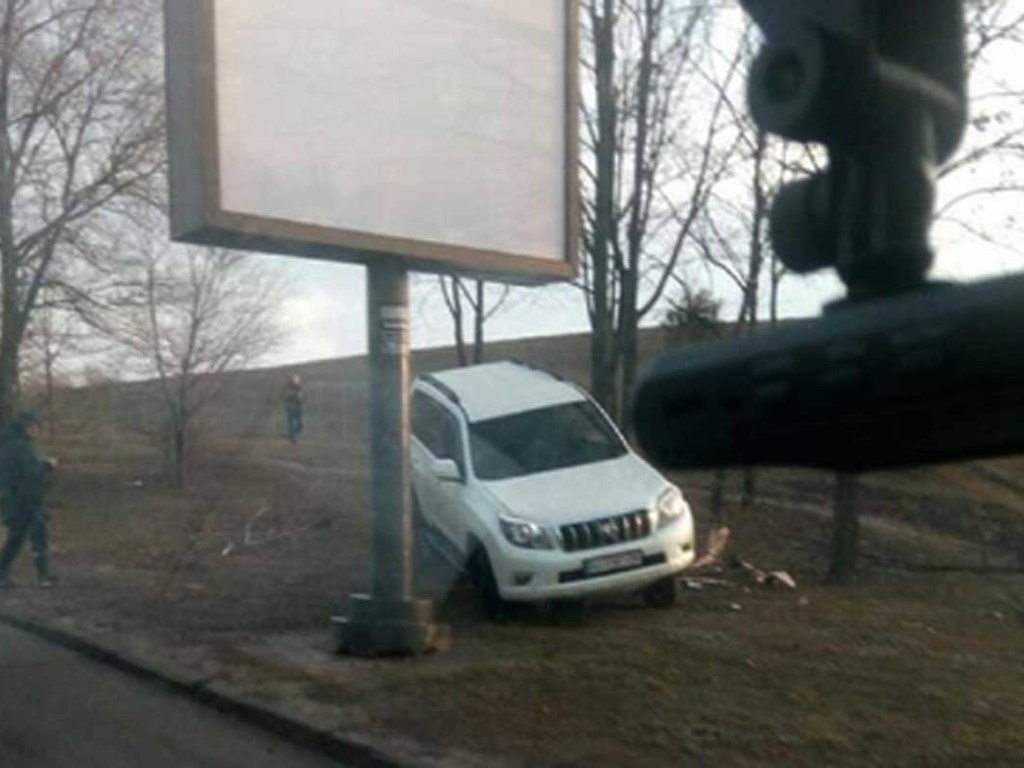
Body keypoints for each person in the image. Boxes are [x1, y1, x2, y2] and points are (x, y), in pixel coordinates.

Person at [0, 410, 57, 589]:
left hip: (18, 499)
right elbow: (29, 473)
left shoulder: (12, 445)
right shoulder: (19, 447)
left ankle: (4, 574)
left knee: (19, 538)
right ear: (26, 427)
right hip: (24, 499)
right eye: (34, 427)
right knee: (34, 537)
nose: (36, 431)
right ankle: (43, 576)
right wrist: (47, 465)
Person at [283, 374, 304, 443]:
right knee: (292, 423)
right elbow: (287, 397)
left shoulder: (299, 388)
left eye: (297, 380)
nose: (297, 381)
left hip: (298, 407)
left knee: (299, 424)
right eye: (296, 380)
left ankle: (293, 436)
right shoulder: (289, 388)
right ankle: (293, 437)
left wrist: (300, 398)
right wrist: (296, 395)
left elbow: (301, 398)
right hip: (291, 407)